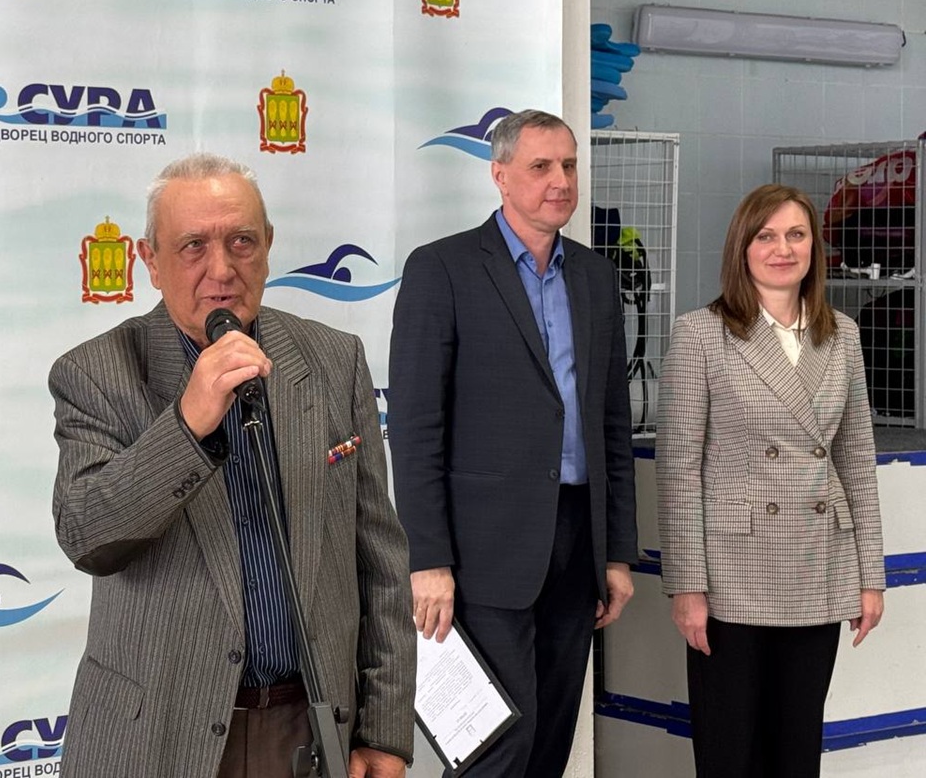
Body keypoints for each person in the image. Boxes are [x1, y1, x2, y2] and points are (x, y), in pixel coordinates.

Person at [49, 153, 416, 778]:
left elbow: (379, 560)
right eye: (193, 246)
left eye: (241, 241)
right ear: (150, 261)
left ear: (268, 246)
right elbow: (87, 535)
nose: (221, 269)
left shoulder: (335, 360)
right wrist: (187, 424)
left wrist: (384, 731)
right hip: (157, 734)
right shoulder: (96, 373)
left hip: (305, 725)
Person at [389, 109, 638, 776]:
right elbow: (415, 429)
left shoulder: (595, 278)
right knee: (498, 748)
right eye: (541, 166)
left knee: (550, 742)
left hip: (577, 544)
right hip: (483, 552)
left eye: (569, 165)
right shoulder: (442, 269)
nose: (560, 181)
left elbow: (612, 425)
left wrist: (616, 552)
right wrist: (427, 560)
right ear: (500, 175)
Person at [656, 183, 886, 778]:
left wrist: (870, 576)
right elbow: (679, 468)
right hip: (732, 577)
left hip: (818, 566)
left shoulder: (843, 335)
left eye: (796, 235)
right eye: (766, 236)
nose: (782, 249)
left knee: (796, 750)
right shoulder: (700, 333)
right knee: (729, 753)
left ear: (814, 247)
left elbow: (855, 459)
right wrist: (687, 586)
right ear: (742, 247)